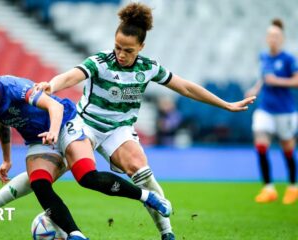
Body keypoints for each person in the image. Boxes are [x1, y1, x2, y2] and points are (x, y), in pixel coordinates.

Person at [35, 3, 255, 240]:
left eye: (128, 50)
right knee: (53, 175)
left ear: (141, 47)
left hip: (118, 131)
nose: (121, 54)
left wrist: (225, 104)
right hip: (85, 126)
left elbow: (186, 88)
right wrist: (52, 85)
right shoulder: (100, 62)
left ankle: (167, 233)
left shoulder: (148, 68)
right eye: (117, 47)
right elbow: (71, 76)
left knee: (143, 174)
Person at [0, 52, 171, 239]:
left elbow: (54, 107)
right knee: (39, 183)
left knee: (87, 177)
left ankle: (146, 197)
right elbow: (2, 124)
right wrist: (6, 159)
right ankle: (75, 235)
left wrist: (52, 131)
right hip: (39, 139)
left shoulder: (13, 88)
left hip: (66, 123)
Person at [245, 19, 298, 205]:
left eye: (275, 36)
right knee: (260, 144)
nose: (272, 39)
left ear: (282, 38)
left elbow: (296, 81)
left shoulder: (289, 59)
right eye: (269, 36)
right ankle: (268, 188)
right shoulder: (264, 57)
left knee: (288, 150)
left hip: (285, 111)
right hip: (265, 109)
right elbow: (263, 78)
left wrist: (278, 81)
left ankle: (292, 186)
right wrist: (255, 90)